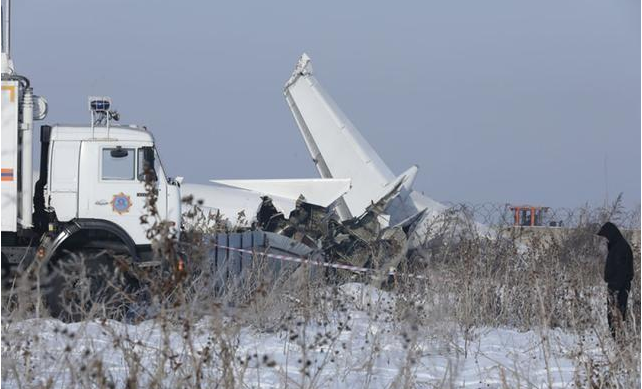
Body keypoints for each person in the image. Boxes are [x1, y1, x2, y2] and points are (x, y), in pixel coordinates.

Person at [597, 222, 634, 340]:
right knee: (614, 315)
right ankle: (617, 340)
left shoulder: (620, 248)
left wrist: (615, 290)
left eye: (605, 237)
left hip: (618, 288)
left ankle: (619, 340)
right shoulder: (616, 246)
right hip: (615, 286)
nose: (604, 240)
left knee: (617, 314)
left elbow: (621, 271)